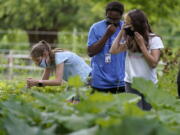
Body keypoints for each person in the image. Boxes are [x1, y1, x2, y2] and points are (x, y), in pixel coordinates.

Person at [110, 9, 164, 110]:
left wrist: (142, 46)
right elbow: (113, 50)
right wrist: (121, 31)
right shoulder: (130, 40)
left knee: (147, 116)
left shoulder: (154, 40)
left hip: (149, 85)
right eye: (125, 23)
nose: (127, 26)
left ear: (137, 24)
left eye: (128, 24)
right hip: (131, 84)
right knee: (136, 115)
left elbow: (153, 63)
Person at [87, 1, 126, 94]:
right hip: (99, 81)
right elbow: (90, 52)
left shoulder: (125, 28)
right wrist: (107, 35)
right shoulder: (95, 27)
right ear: (105, 14)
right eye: (110, 18)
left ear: (121, 16)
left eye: (115, 19)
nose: (112, 22)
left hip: (120, 81)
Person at [27, 40, 92, 88]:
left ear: (45, 53)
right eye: (35, 61)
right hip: (75, 83)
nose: (37, 64)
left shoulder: (59, 57)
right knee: (67, 103)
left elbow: (58, 81)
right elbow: (43, 82)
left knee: (73, 104)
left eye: (38, 60)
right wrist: (33, 83)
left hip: (88, 79)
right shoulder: (49, 62)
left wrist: (37, 81)